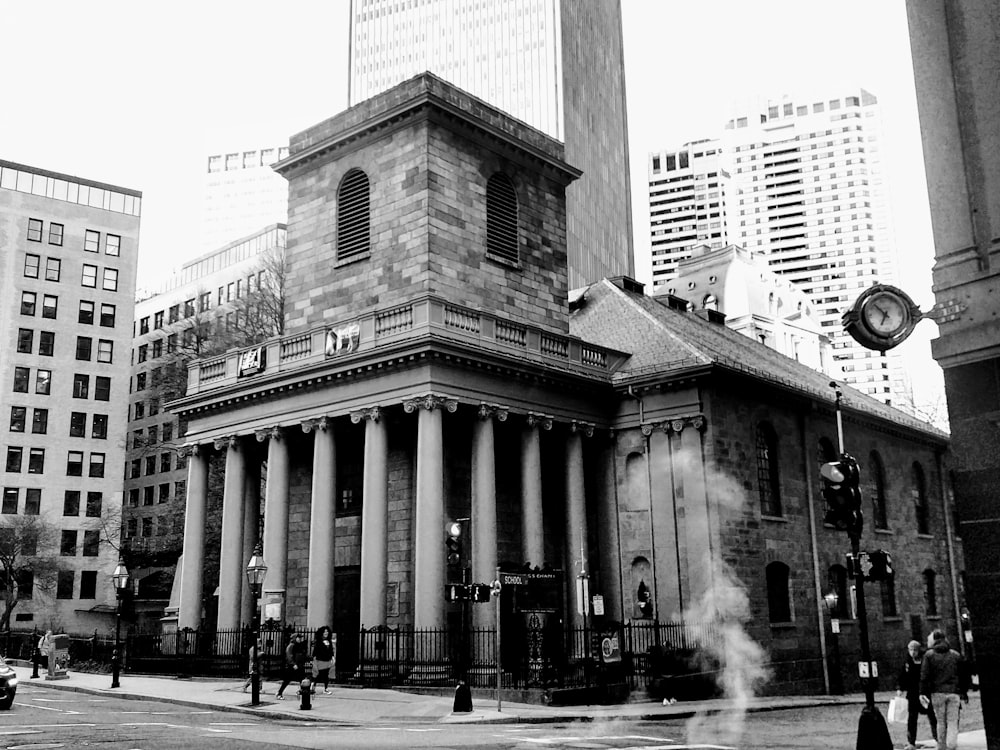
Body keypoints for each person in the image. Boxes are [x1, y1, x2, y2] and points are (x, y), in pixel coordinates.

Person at [920, 629, 971, 750]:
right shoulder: (955, 655)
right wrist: (963, 691)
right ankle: (952, 744)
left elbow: (924, 676)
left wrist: (922, 692)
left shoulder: (929, 655)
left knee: (941, 721)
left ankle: (941, 745)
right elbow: (963, 674)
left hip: (937, 692)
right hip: (954, 692)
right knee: (953, 721)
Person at [897, 639, 937, 750]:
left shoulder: (925, 660)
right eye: (910, 650)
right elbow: (903, 676)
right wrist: (901, 688)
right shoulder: (907, 663)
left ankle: (938, 738)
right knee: (912, 718)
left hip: (924, 693)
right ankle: (911, 742)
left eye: (915, 650)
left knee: (932, 716)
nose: (913, 652)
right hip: (913, 693)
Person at [275, 632, 307, 700]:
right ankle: (279, 693)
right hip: (293, 666)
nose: (300, 639)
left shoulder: (298, 645)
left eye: (300, 638)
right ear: (295, 638)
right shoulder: (291, 645)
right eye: (298, 638)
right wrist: (293, 664)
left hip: (298, 665)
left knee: (301, 678)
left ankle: (301, 691)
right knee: (287, 679)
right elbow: (289, 655)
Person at [312, 626, 335, 694]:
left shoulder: (329, 641)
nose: (326, 633)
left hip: (328, 660)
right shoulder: (318, 641)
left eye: (327, 631)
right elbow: (315, 651)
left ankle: (326, 688)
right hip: (321, 660)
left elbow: (331, 650)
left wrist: (332, 657)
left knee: (326, 675)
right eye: (324, 631)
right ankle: (313, 687)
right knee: (319, 674)